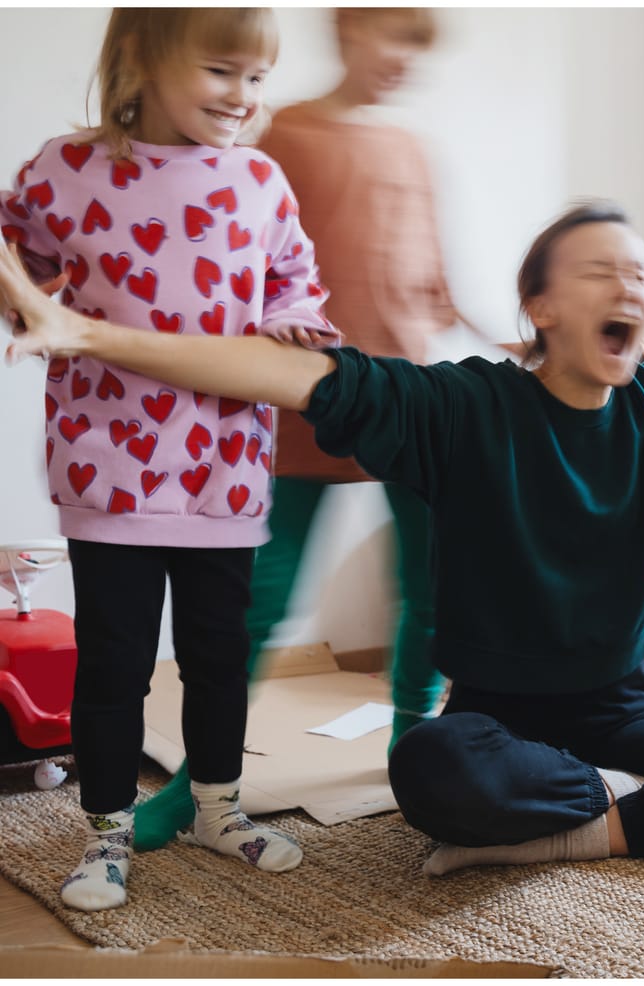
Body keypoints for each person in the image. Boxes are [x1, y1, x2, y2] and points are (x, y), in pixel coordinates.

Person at [0, 201, 644, 877]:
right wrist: (84, 330)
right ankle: (612, 799)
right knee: (429, 767)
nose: (631, 287)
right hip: (497, 718)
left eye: (642, 274)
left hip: (628, 712)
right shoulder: (465, 408)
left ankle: (583, 824)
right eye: (603, 270)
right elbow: (287, 374)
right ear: (542, 307)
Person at [0, 8, 339, 910]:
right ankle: (106, 830)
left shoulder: (261, 181)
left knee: (217, 655)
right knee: (111, 664)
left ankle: (216, 809)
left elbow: (293, 279)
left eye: (257, 78)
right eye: (223, 72)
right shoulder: (64, 171)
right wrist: (28, 308)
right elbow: (17, 260)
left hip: (226, 470)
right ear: (145, 59)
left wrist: (289, 319)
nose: (245, 97)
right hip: (107, 471)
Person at [132, 6, 458, 853]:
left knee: (429, 591)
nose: (400, 61)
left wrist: (500, 336)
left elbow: (431, 280)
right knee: (257, 601)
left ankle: (410, 741)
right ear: (349, 33)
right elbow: (248, 261)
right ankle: (201, 778)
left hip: (412, 403)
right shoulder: (290, 137)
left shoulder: (415, 149)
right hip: (307, 406)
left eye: (416, 48)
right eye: (390, 36)